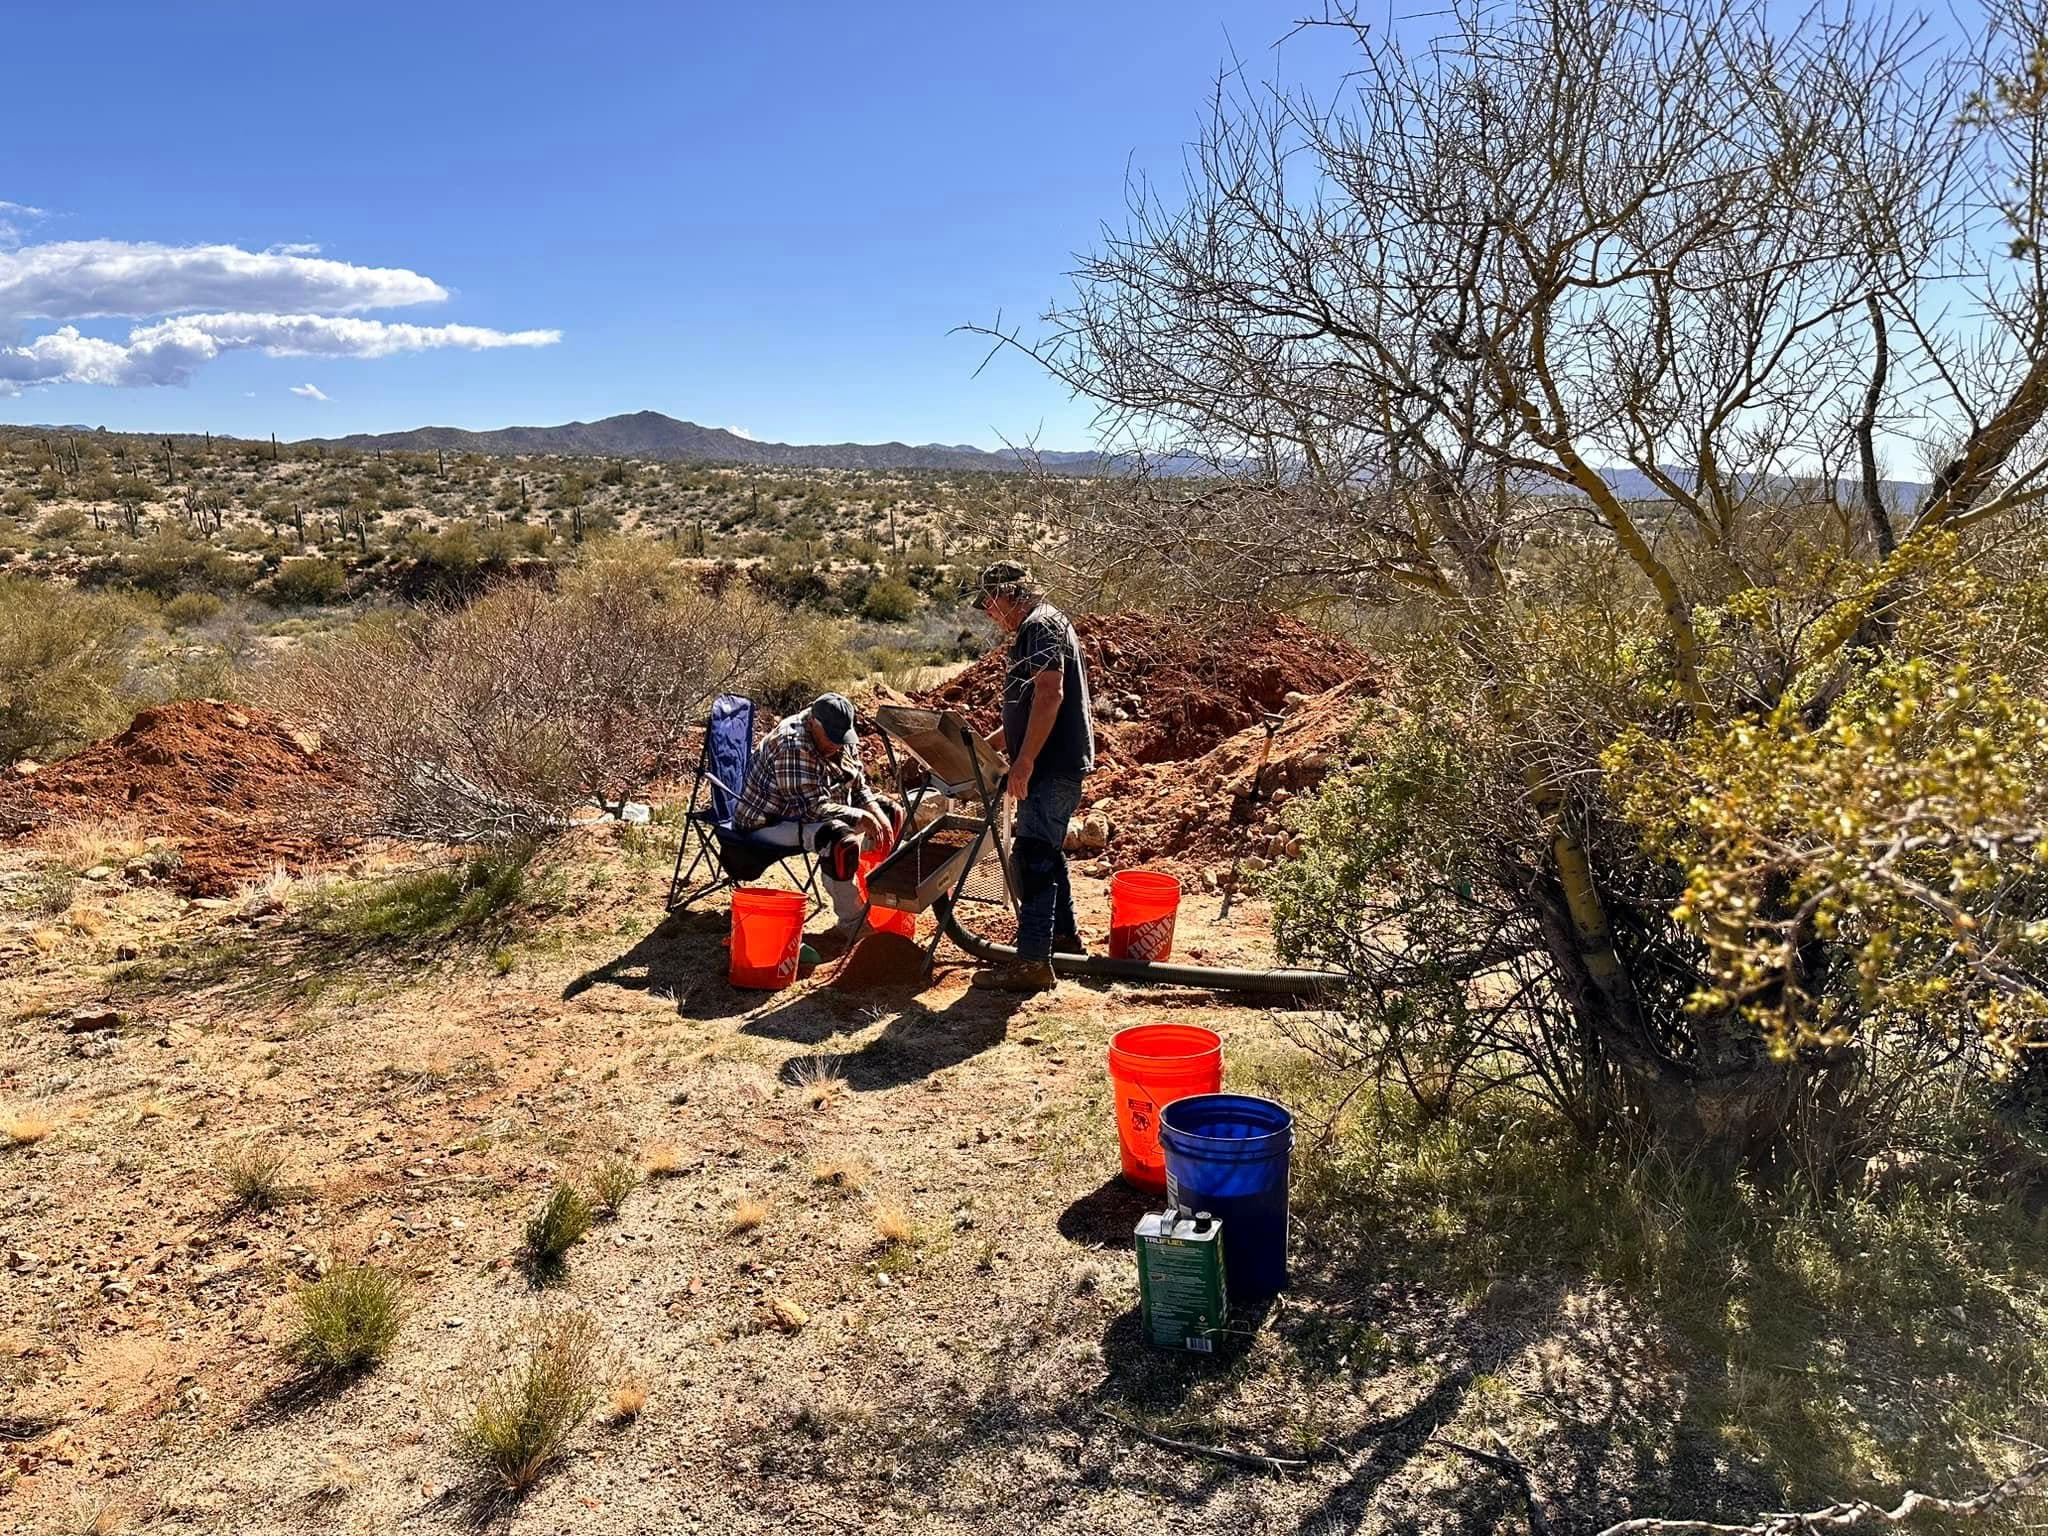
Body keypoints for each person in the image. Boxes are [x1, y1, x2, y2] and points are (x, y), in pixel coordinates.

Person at [970, 560, 1095, 990]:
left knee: (1033, 857)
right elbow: (1027, 708)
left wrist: (1024, 762)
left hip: (1052, 765)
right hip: (1050, 762)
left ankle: (1033, 963)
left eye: (990, 602)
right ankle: (1063, 940)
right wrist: (992, 747)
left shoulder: (1040, 627)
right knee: (1044, 850)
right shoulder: (1040, 626)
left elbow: (1049, 695)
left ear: (1011, 594)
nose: (989, 612)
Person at [731, 692, 898, 940]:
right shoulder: (792, 744)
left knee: (890, 813)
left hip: (811, 809)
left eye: (842, 739)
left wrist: (873, 810)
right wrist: (859, 817)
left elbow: (857, 784)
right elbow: (811, 809)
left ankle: (874, 893)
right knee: (840, 841)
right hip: (770, 820)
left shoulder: (838, 734)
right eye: (831, 739)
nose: (837, 745)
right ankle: (852, 923)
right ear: (812, 722)